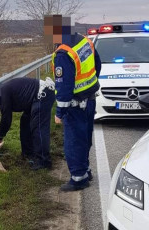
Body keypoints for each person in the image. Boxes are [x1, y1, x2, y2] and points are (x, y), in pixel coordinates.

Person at [53, 32, 102, 191]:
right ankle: (86, 171)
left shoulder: (63, 53)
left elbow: (64, 86)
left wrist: (59, 112)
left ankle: (78, 179)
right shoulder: (84, 41)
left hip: (75, 105)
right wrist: (89, 86)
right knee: (85, 138)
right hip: (90, 100)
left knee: (73, 142)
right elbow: (97, 64)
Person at [0, 77, 55, 170]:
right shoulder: (1, 90)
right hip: (32, 99)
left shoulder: (1, 95)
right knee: (25, 123)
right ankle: (28, 153)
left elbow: (6, 119)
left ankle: (44, 161)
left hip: (43, 94)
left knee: (38, 127)